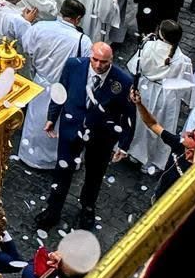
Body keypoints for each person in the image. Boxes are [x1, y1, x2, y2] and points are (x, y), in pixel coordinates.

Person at [38, 42, 135, 228]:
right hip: (72, 127)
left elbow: (129, 113)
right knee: (62, 171)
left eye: (104, 62)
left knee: (95, 174)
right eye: (95, 60)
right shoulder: (74, 65)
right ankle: (53, 209)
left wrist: (124, 143)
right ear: (90, 56)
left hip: (102, 135)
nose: (98, 65)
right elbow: (61, 91)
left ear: (111, 60)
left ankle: (87, 208)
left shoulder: (123, 81)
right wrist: (52, 116)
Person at [18, 0, 91, 171]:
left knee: (35, 119)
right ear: (78, 19)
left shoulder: (40, 27)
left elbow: (27, 47)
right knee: (56, 124)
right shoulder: (83, 41)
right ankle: (53, 158)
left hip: (41, 80)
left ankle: (30, 155)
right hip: (63, 88)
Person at [128, 20, 194, 174]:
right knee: (158, 127)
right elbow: (186, 86)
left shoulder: (148, 46)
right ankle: (151, 160)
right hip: (166, 97)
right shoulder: (183, 60)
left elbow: (134, 67)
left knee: (140, 123)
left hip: (144, 90)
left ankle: (134, 152)